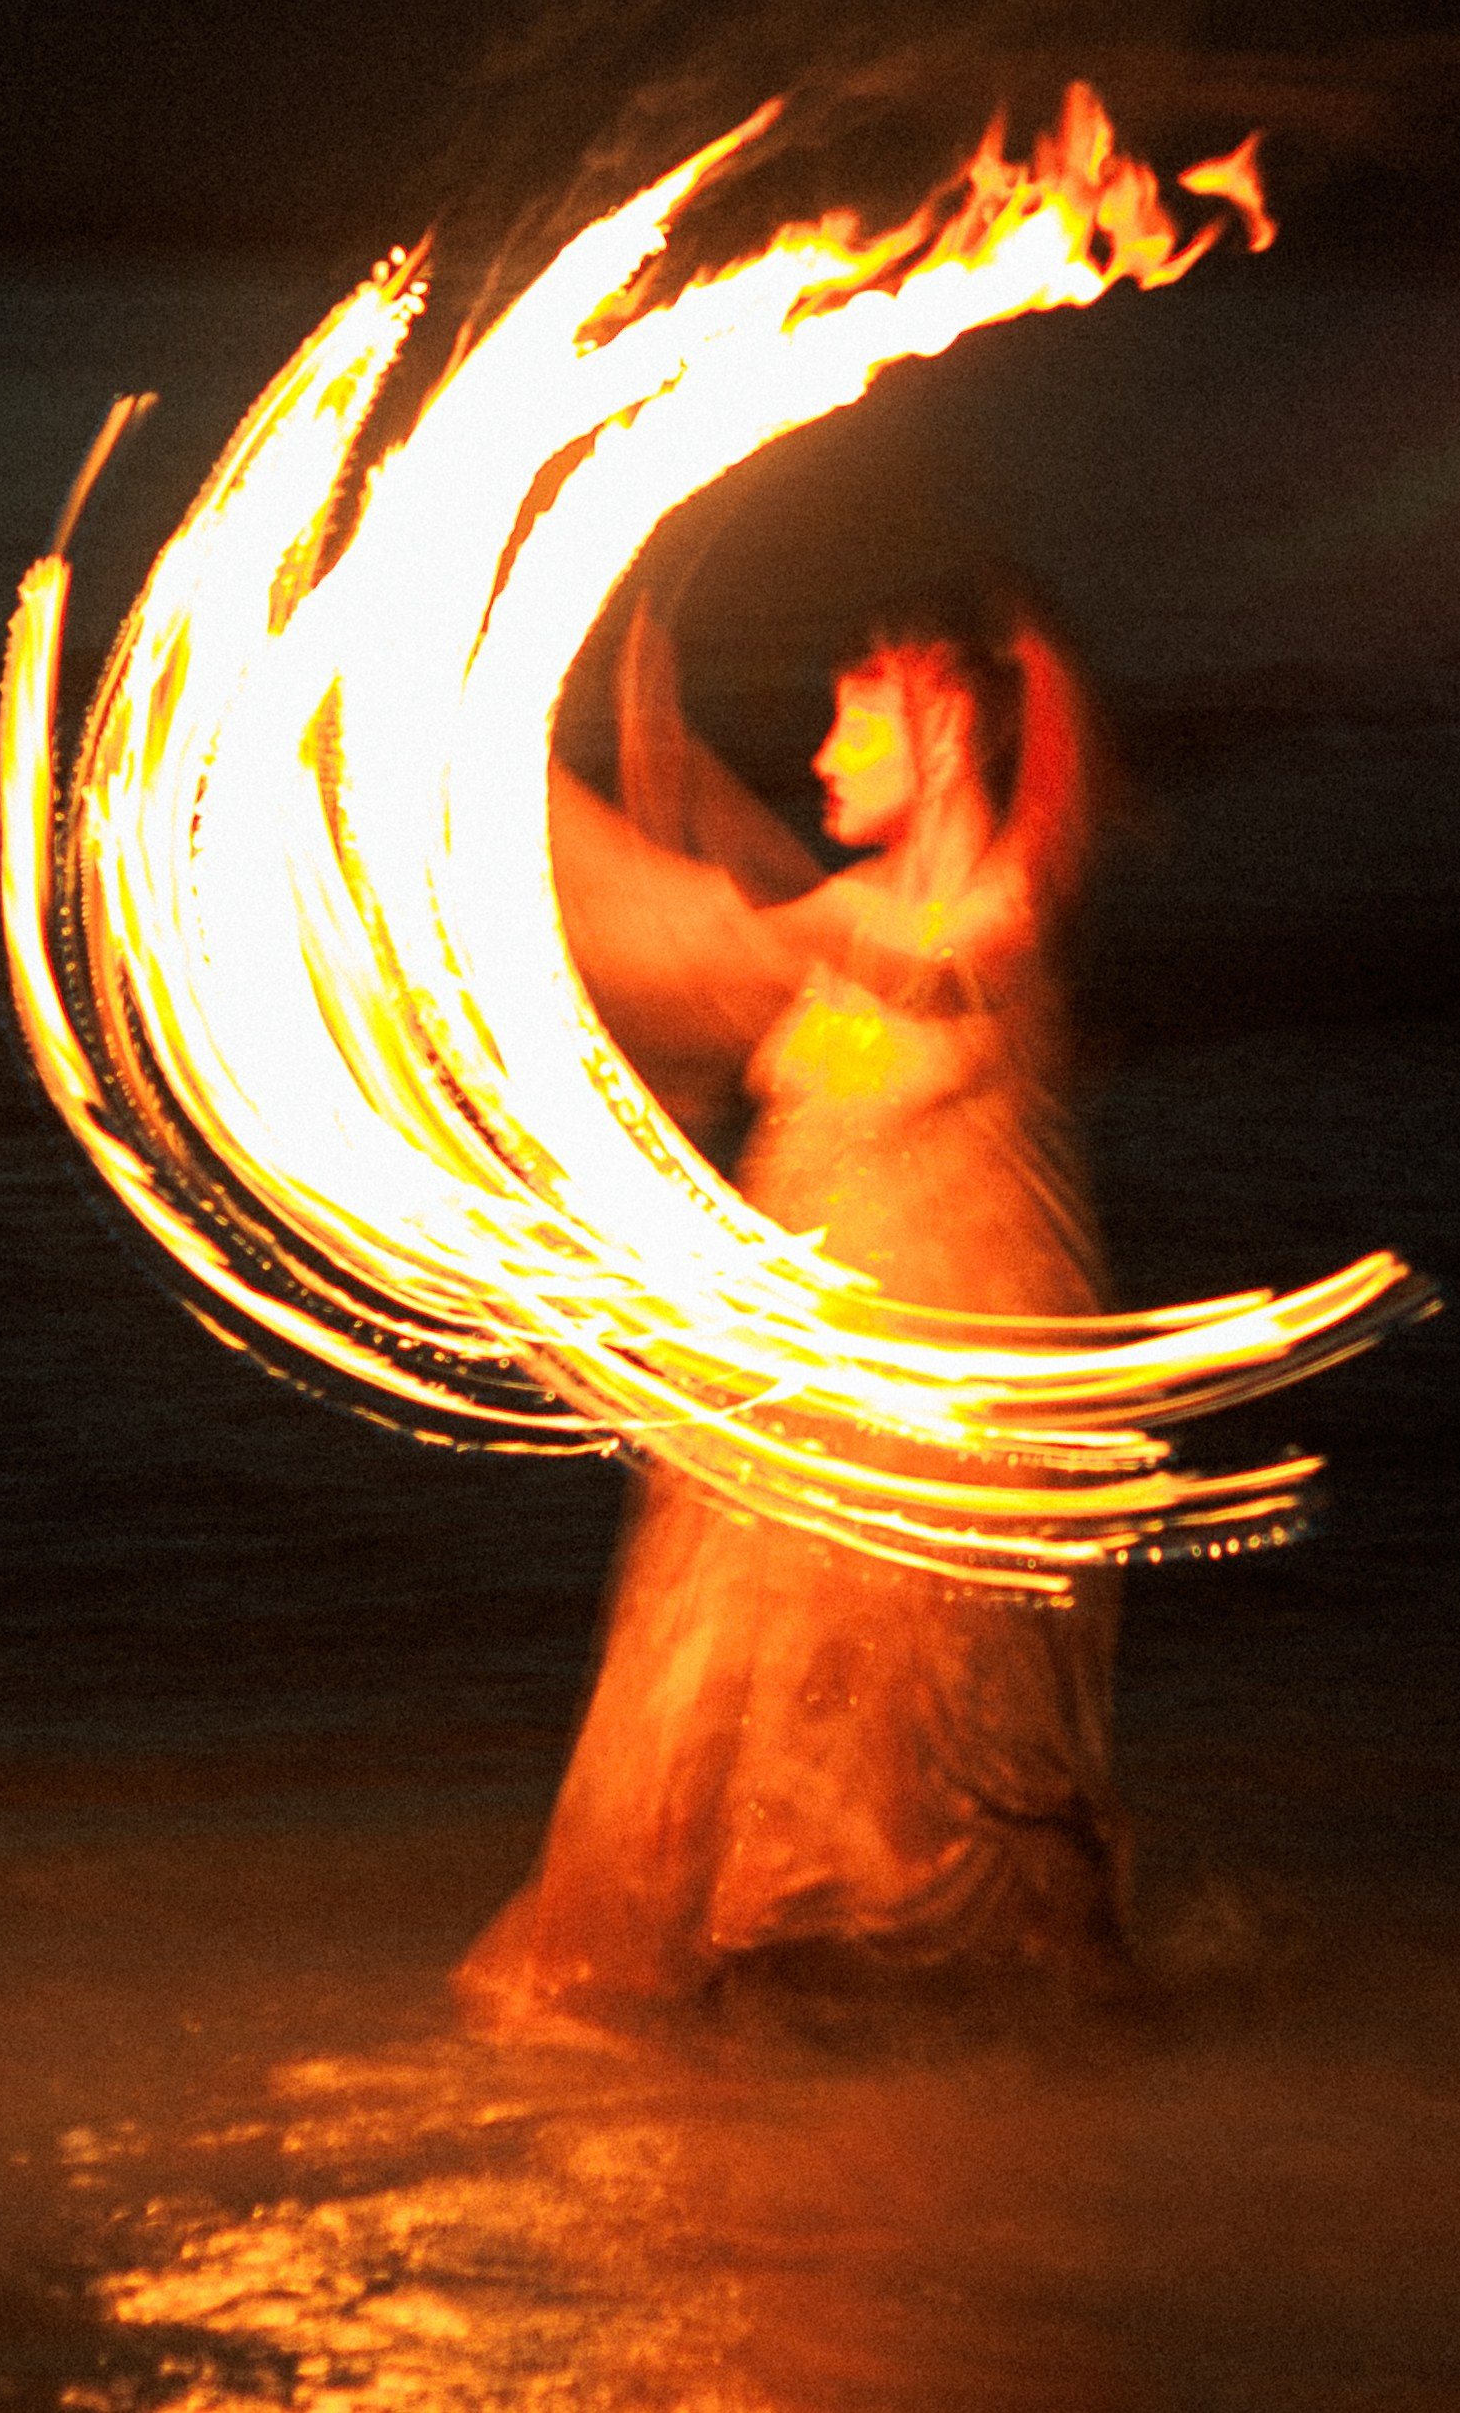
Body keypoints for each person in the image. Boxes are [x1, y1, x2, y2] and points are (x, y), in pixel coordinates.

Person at [453, 576, 1141, 2040]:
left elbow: (773, 938)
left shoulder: (981, 915)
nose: (824, 751)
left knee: (914, 1748)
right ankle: (812, 2019)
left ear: (945, 725)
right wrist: (565, 763)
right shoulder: (856, 917)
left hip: (936, 1399)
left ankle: (945, 2059)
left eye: (856, 713)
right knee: (755, 1728)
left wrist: (495, 759)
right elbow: (710, 934)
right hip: (807, 1393)